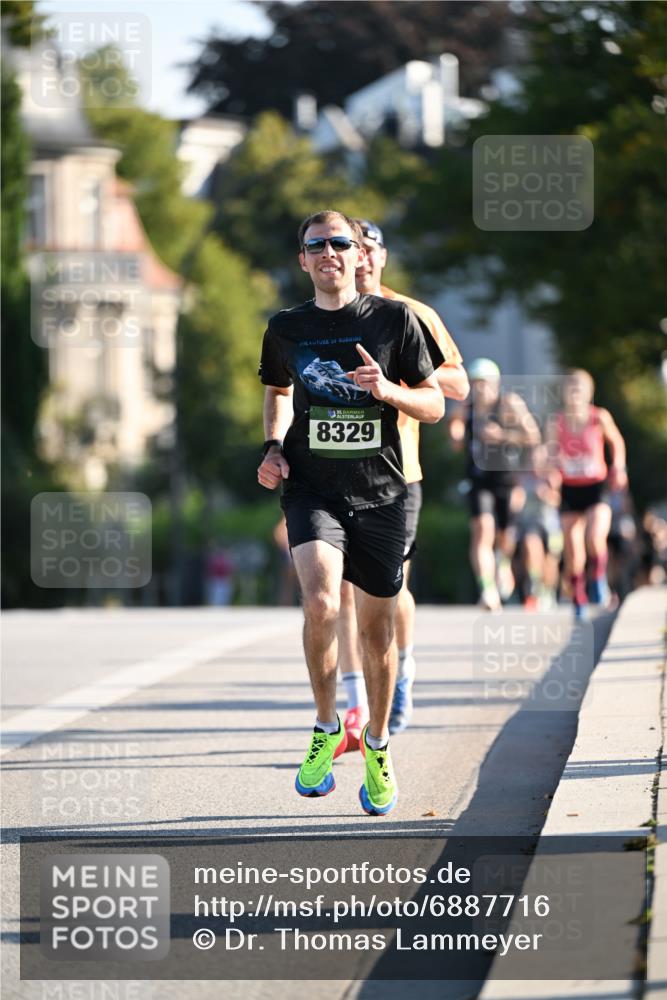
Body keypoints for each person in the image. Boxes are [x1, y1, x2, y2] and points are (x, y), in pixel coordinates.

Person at [257, 209, 445, 815]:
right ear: (304, 259)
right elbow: (279, 392)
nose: (330, 253)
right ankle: (325, 725)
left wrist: (387, 391)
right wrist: (273, 448)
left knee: (376, 630)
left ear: (360, 255)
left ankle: (380, 744)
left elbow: (437, 403)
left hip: (385, 492)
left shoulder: (397, 320)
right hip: (313, 487)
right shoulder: (286, 327)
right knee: (319, 600)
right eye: (318, 245)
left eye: (341, 243)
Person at [337, 218, 469, 744]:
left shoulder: (413, 314)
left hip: (397, 473)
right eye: (353, 248)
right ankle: (355, 708)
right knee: (346, 593)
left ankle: (404, 671)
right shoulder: (327, 316)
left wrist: (399, 383)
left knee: (389, 594)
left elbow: (455, 383)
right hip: (336, 475)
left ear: (383, 257)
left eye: (369, 249)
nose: (361, 258)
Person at [448, 358, 541, 610]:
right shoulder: (465, 409)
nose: (480, 390)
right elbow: (454, 431)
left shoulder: (509, 404)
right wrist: (456, 432)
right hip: (478, 480)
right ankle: (487, 589)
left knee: (505, 536)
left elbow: (533, 435)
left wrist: (503, 435)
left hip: (507, 480)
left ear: (496, 384)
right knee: (482, 531)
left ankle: (502, 564)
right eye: (475, 384)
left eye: (485, 384)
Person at [546, 368, 627, 619]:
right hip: (570, 488)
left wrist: (618, 467)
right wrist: (550, 473)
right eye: (570, 388)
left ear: (588, 393)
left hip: (596, 485)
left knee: (594, 537)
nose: (574, 394)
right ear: (564, 393)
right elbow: (549, 453)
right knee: (573, 549)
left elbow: (617, 442)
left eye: (579, 389)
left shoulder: (599, 417)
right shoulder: (556, 422)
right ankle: (579, 597)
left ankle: (599, 579)